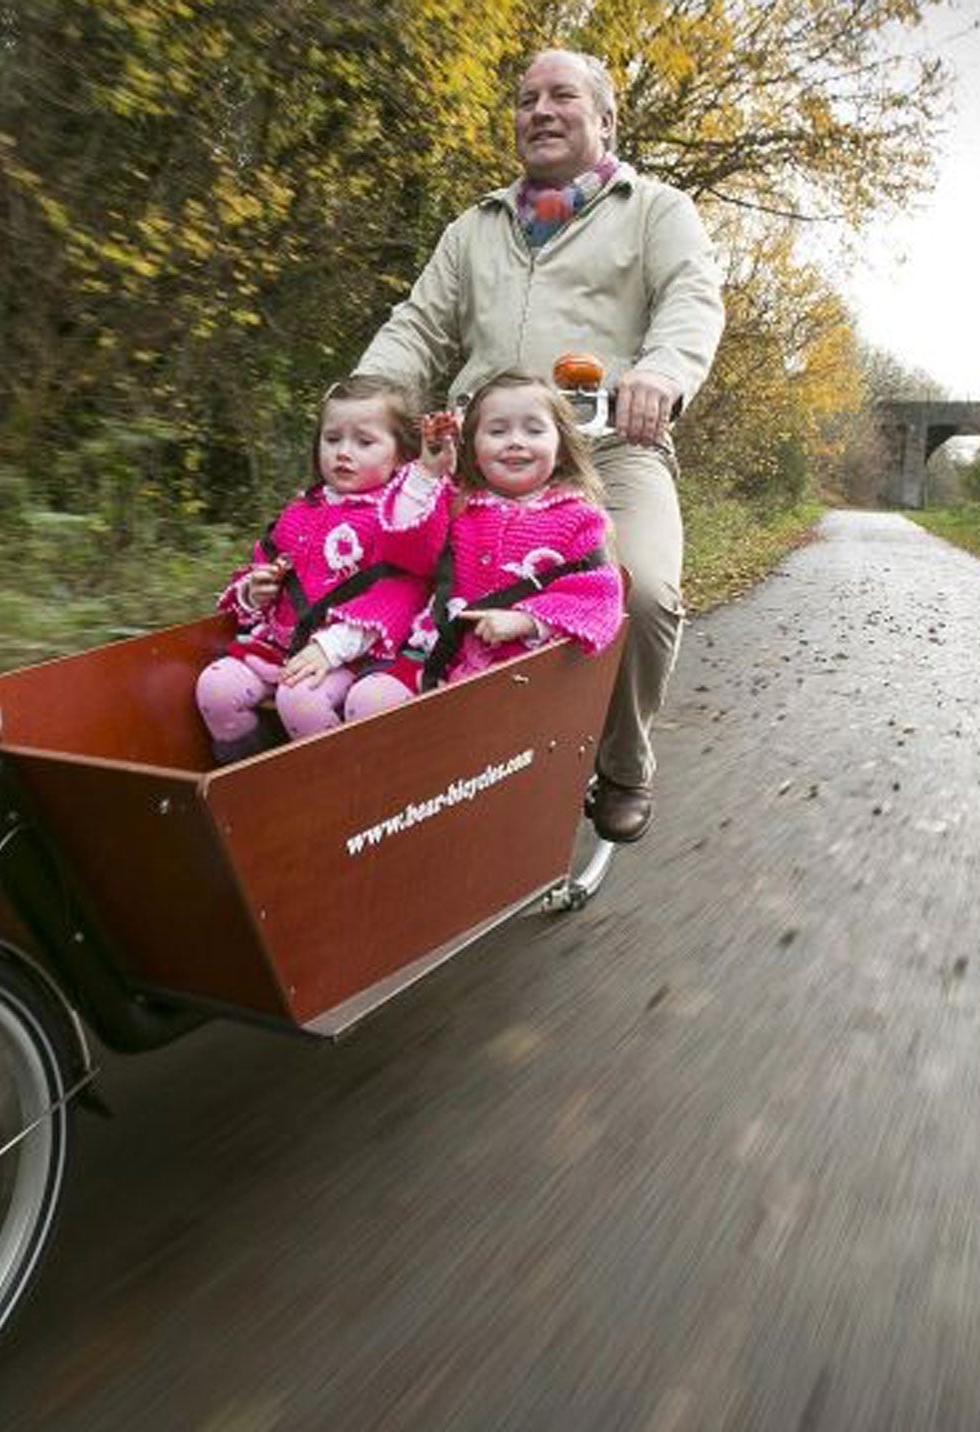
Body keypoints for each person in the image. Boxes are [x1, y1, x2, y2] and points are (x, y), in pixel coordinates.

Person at [355, 47, 724, 841]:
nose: (541, 112)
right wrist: (362, 406)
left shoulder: (655, 209)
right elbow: (417, 327)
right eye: (527, 100)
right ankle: (392, 755)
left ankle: (624, 763)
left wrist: (659, 374)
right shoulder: (476, 227)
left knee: (646, 590)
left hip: (607, 451)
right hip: (478, 454)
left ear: (605, 120)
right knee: (382, 571)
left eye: (561, 97)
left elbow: (692, 301)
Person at [339, 370, 623, 715]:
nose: (515, 441)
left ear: (561, 448)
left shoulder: (578, 518)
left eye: (533, 430)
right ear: (472, 447)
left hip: (518, 669)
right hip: (437, 655)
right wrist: (429, 473)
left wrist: (528, 621)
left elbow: (601, 595)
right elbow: (405, 554)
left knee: (468, 725)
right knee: (367, 701)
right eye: (497, 431)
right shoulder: (456, 504)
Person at [195, 376, 436, 762]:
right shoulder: (301, 510)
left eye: (364, 442)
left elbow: (400, 593)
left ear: (402, 455)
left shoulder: (395, 519)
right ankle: (243, 770)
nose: (343, 452)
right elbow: (265, 560)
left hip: (356, 653)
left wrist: (328, 648)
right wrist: (255, 591)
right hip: (283, 644)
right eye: (333, 438)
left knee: (299, 700)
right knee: (215, 689)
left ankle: (333, 786)